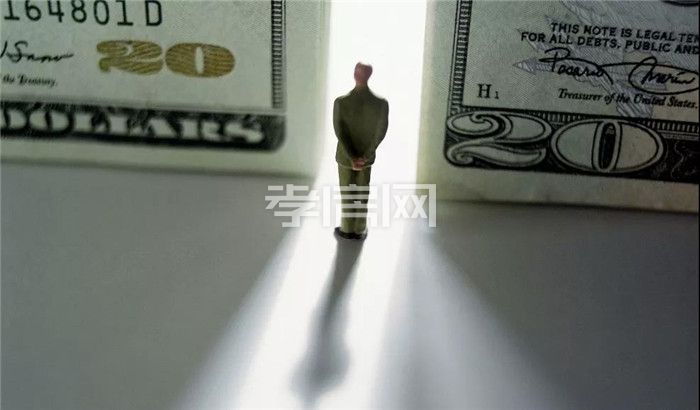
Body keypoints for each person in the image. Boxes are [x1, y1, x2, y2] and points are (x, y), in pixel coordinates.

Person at [333, 62, 389, 240]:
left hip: (345, 158)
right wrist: (365, 156)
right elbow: (380, 133)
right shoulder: (381, 103)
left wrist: (351, 157)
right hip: (366, 159)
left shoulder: (341, 102)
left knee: (347, 194)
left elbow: (340, 133)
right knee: (362, 194)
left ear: (354, 74)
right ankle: (359, 228)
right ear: (369, 75)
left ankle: (347, 228)